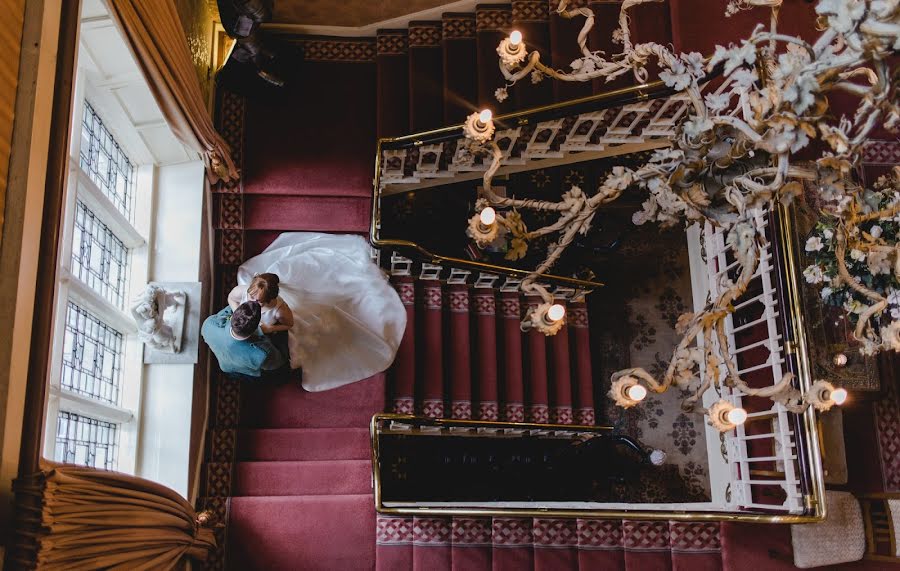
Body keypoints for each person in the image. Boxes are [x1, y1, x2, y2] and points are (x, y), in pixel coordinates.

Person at [233, 232, 407, 392]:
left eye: (258, 301)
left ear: (271, 300)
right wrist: (237, 312)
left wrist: (270, 329)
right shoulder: (244, 292)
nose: (252, 301)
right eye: (251, 296)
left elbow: (289, 324)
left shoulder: (280, 309)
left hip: (284, 319)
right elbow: (231, 298)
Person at [201, 300, 287, 380]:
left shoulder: (208, 324)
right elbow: (277, 363)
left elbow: (224, 313)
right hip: (248, 371)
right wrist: (268, 330)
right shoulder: (263, 352)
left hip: (225, 366)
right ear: (256, 327)